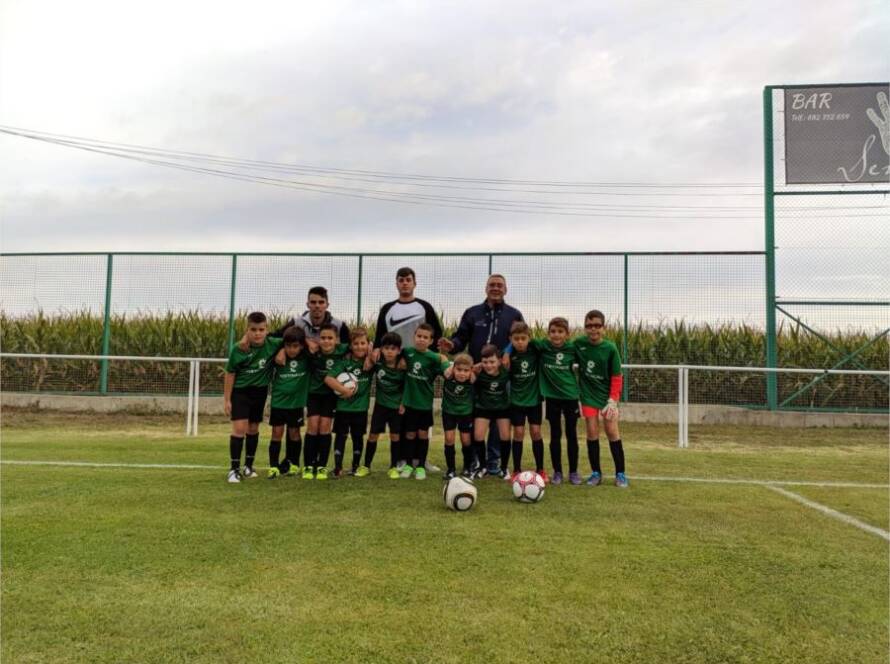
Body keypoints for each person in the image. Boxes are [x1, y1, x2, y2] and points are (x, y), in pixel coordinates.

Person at [438, 274, 524, 475]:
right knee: (478, 418)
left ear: (506, 289)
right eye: (492, 285)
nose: (496, 288)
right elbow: (460, 337)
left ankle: (494, 461)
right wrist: (452, 345)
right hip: (475, 375)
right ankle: (477, 461)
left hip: (501, 378)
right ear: (485, 288)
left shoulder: (514, 314)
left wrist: (508, 353)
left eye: (499, 285)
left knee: (499, 419)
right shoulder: (472, 313)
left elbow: (519, 337)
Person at [513, 316, 581, 486]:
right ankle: (557, 472)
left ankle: (573, 472)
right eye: (553, 331)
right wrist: (507, 352)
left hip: (571, 397)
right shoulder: (542, 346)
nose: (556, 335)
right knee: (555, 434)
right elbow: (519, 338)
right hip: (551, 398)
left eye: (560, 332)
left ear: (567, 334)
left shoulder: (573, 348)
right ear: (548, 333)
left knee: (571, 434)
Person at [223, 311, 282, 483]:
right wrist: (227, 399)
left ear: (266, 330)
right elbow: (230, 373)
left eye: (261, 329)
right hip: (241, 392)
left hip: (260, 391)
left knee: (253, 428)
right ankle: (233, 470)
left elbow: (293, 340)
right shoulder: (239, 348)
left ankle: (248, 466)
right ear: (247, 330)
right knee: (239, 429)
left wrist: (283, 352)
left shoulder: (273, 344)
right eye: (253, 329)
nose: (257, 333)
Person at [574, 310, 628, 488]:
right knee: (591, 431)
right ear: (585, 328)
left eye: (597, 326)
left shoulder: (610, 348)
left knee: (612, 431)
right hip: (588, 396)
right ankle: (596, 473)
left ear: (603, 328)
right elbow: (563, 352)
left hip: (607, 398)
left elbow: (617, 377)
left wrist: (613, 400)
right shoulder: (579, 344)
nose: (593, 329)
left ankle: (620, 473)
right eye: (589, 326)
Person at [398, 323, 449, 480]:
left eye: (425, 337)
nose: (421, 339)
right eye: (419, 336)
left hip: (425, 404)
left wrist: (446, 361)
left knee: (422, 435)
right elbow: (392, 353)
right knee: (410, 434)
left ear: (431, 341)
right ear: (414, 337)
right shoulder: (407, 352)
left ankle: (420, 466)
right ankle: (407, 465)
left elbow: (446, 368)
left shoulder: (433, 358)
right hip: (409, 404)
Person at [325, 328, 375, 478]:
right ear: (351, 346)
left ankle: (355, 466)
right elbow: (328, 379)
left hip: (360, 408)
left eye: (363, 343)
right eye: (356, 344)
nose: (360, 346)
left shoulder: (371, 363)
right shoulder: (344, 363)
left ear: (367, 344)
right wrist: (343, 390)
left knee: (357, 437)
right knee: (340, 436)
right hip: (343, 408)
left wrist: (371, 353)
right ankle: (338, 467)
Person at [302, 323, 349, 480]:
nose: (326, 341)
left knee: (324, 427)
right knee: (313, 425)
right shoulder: (313, 352)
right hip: (314, 394)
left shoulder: (342, 350)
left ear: (336, 340)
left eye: (330, 338)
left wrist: (371, 348)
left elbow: (359, 345)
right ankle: (309, 465)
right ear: (318, 339)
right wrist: (307, 341)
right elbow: (289, 340)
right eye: (323, 338)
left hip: (330, 395)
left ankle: (322, 466)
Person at [503, 321, 547, 483]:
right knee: (519, 433)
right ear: (511, 339)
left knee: (536, 432)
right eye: (516, 339)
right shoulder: (509, 356)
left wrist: (531, 339)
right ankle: (516, 470)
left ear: (529, 338)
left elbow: (543, 344)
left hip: (534, 400)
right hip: (517, 401)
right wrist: (507, 352)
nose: (520, 342)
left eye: (523, 338)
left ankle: (541, 469)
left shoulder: (535, 351)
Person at [267, 326, 310, 479]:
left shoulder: (306, 358)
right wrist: (280, 349)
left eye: (295, 346)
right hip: (278, 403)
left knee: (294, 433)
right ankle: (273, 466)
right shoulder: (277, 357)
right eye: (288, 346)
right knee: (277, 433)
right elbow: (269, 338)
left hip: (296, 404)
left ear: (301, 346)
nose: (291, 350)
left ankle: (294, 464)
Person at [368, 333, 407, 479]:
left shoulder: (403, 365)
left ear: (398, 350)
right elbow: (367, 352)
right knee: (373, 435)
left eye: (393, 348)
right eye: (386, 348)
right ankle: (366, 465)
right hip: (380, 406)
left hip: (396, 407)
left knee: (395, 436)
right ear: (381, 349)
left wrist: (403, 402)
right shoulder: (378, 362)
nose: (389, 351)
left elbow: (407, 386)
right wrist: (371, 354)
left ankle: (393, 467)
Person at [373, 267, 442, 350]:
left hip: (420, 359)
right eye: (401, 280)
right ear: (396, 284)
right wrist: (376, 349)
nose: (405, 283)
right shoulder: (386, 309)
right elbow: (380, 336)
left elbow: (436, 334)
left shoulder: (425, 307)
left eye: (408, 280)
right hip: (394, 359)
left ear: (414, 284)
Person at [472, 344, 512, 480]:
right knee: (478, 436)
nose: (488, 365)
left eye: (492, 362)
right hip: (483, 408)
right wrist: (473, 369)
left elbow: (513, 343)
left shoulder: (506, 371)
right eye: (485, 362)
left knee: (505, 436)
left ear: (499, 361)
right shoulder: (478, 372)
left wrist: (507, 353)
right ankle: (483, 467)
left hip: (502, 408)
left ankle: (504, 468)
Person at [440, 353, 476, 480]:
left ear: (471, 371)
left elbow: (483, 367)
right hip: (449, 412)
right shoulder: (448, 375)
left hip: (466, 414)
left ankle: (467, 468)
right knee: (449, 439)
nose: (462, 373)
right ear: (453, 368)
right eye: (459, 370)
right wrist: (447, 366)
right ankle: (451, 469)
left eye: (466, 371)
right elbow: (442, 357)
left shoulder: (473, 379)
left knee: (466, 440)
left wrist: (475, 372)